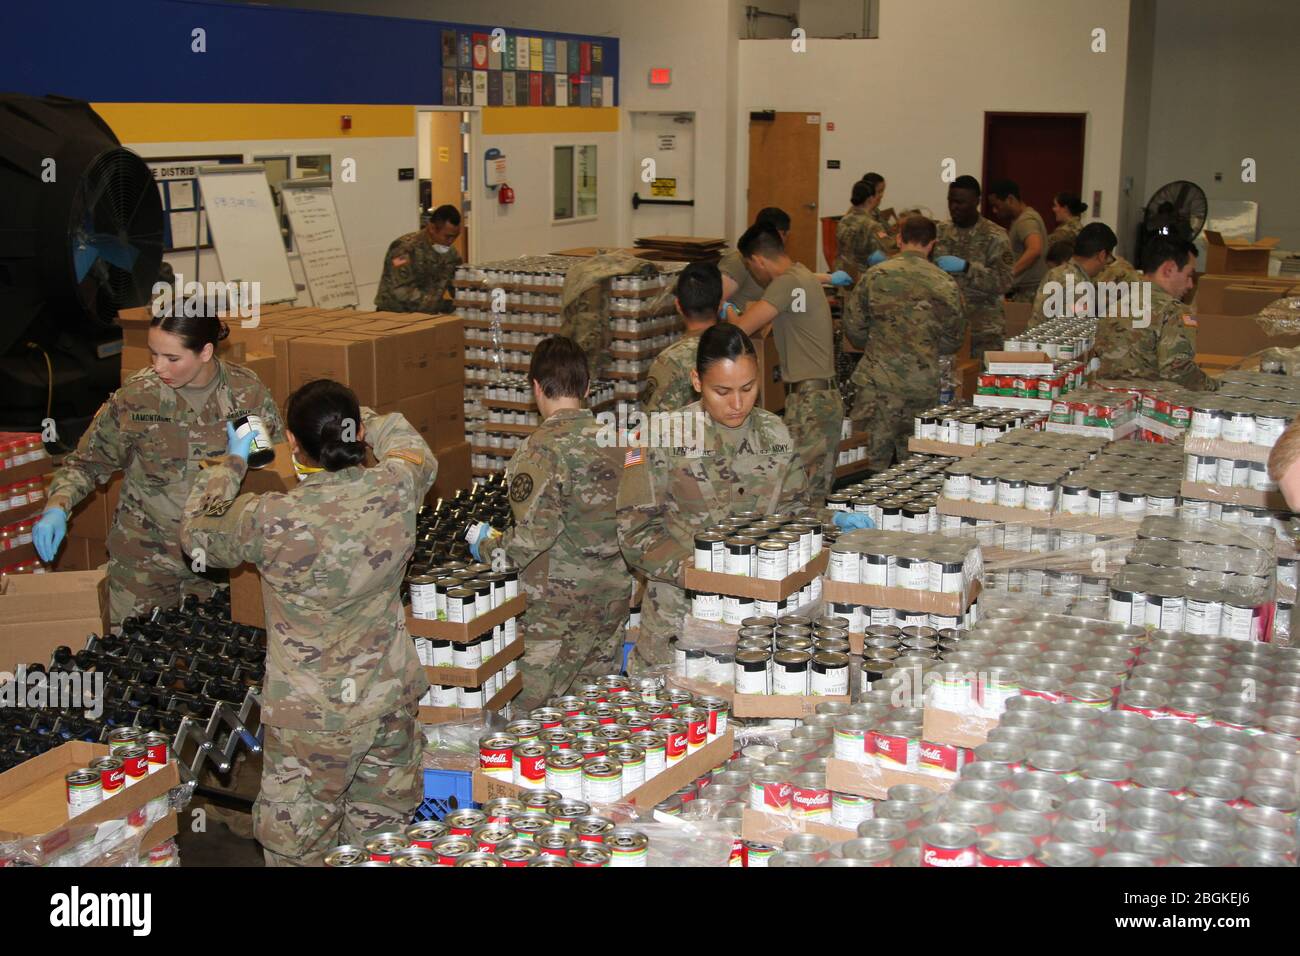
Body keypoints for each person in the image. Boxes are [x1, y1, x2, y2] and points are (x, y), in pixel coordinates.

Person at [179, 379, 437, 866]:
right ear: (356, 433)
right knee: (382, 847)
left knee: (298, 850)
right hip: (387, 706)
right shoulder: (398, 486)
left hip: (310, 723)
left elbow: (197, 532)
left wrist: (232, 462)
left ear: (293, 445)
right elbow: (408, 443)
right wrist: (358, 417)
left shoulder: (272, 516)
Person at [35, 313, 281, 625]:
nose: (158, 367)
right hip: (143, 565)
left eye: (172, 357)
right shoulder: (138, 397)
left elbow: (270, 473)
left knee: (214, 663)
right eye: (153, 353)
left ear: (205, 352)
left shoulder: (247, 394)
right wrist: (57, 506)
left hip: (216, 565)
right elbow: (87, 463)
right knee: (133, 661)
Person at [617, 325, 810, 673]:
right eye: (722, 391)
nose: (737, 404)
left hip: (756, 624)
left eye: (748, 388)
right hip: (677, 623)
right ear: (696, 381)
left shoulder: (775, 434)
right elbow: (634, 531)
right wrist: (694, 570)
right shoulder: (659, 437)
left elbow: (795, 514)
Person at [468, 337, 630, 711]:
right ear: (588, 388)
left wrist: (487, 547)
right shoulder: (621, 442)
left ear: (536, 388)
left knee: (536, 713)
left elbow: (532, 537)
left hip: (557, 610)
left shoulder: (540, 448)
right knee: (594, 709)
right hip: (611, 598)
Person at [843, 215, 963, 470]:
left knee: (865, 465)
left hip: (877, 384)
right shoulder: (946, 282)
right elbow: (954, 339)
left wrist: (879, 345)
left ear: (898, 239)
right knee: (915, 465)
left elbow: (853, 327)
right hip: (922, 385)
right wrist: (923, 349)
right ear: (932, 244)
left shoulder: (875, 275)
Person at [733, 224, 844, 496]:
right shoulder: (802, 275)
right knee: (813, 490)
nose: (754, 275)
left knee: (796, 491)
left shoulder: (786, 283)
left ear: (758, 260)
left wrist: (726, 313)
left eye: (750, 267)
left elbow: (741, 329)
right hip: (821, 399)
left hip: (809, 403)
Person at [1094, 237, 1216, 390]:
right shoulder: (1174, 310)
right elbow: (1178, 371)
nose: (1190, 285)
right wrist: (1215, 388)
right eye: (1189, 275)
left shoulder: (1117, 302)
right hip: (1150, 406)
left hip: (1106, 401)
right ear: (1169, 269)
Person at [933, 175, 1014, 361]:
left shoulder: (995, 236)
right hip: (946, 327)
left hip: (983, 329)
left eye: (960, 202)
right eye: (951, 201)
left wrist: (968, 268)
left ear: (976, 202)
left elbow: (1004, 282)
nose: (954, 207)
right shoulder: (940, 231)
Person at [720, 208, 847, 317]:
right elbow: (718, 299)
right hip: (745, 328)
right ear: (780, 233)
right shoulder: (738, 261)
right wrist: (730, 311)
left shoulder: (772, 259)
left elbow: (791, 278)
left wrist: (829, 278)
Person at [644, 262, 721, 413]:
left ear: (678, 305)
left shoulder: (670, 361)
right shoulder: (739, 347)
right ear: (719, 305)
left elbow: (654, 424)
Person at [374, 204, 462, 313]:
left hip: (425, 316)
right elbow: (401, 291)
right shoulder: (405, 249)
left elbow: (458, 285)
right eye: (447, 236)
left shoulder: (451, 254)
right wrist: (441, 305)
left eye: (455, 237)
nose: (451, 241)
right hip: (394, 315)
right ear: (432, 228)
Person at [1029, 222, 1118, 328]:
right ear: (1102, 255)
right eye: (1109, 258)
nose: (1106, 264)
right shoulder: (1079, 287)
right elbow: (1074, 334)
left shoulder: (1055, 273)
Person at [987, 180, 1048, 302]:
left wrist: (1008, 274)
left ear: (1010, 199)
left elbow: (1035, 249)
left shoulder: (1025, 221)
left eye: (997, 206)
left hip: (1029, 293)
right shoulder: (1021, 219)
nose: (994, 211)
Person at [835, 180, 890, 281]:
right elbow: (886, 249)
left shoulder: (843, 220)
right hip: (862, 279)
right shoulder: (873, 226)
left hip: (841, 275)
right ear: (870, 199)